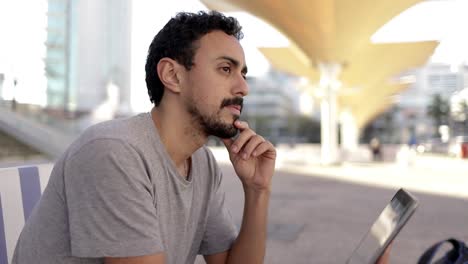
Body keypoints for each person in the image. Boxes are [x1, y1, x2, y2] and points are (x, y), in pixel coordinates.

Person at [12, 11, 276, 264]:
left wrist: (257, 190)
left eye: (243, 73)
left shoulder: (202, 163)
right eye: (226, 69)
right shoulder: (114, 152)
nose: (243, 88)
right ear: (172, 76)